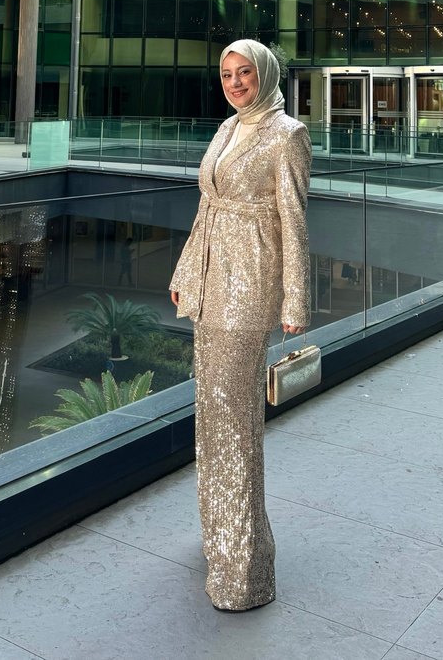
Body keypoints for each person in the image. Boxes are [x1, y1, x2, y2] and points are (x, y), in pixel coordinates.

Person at [169, 39, 311, 612]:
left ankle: (245, 570)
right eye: (226, 74)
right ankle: (221, 539)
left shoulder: (288, 134)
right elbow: (207, 205)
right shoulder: (228, 127)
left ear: (265, 73)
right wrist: (185, 271)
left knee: (235, 423)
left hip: (249, 287)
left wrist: (296, 302)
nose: (235, 83)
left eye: (244, 72)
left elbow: (294, 221)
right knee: (212, 417)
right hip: (209, 284)